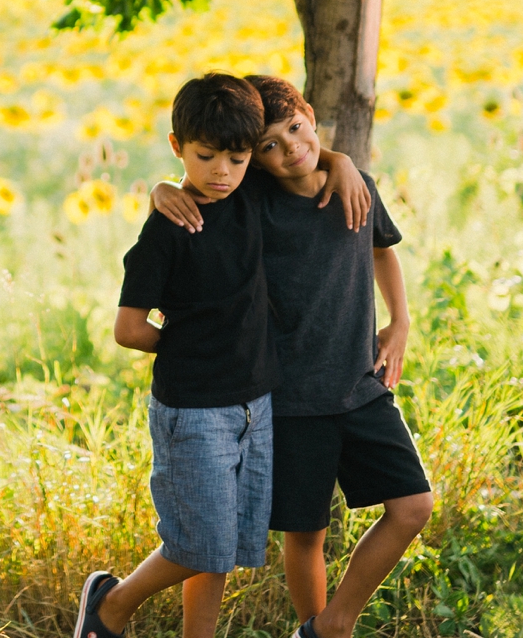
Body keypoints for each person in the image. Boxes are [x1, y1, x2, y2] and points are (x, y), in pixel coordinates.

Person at [152, 74, 432, 638]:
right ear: (255, 162)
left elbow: (382, 250)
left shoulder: (357, 186)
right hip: (291, 401)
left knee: (413, 505)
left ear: (311, 119)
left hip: (360, 386)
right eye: (269, 147)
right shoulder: (255, 203)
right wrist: (160, 190)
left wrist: (399, 321)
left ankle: (333, 624)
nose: (290, 150)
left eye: (297, 131)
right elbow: (200, 179)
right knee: (306, 534)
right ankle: (315, 627)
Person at [72, 73, 273, 638]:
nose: (222, 172)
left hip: (255, 402)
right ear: (177, 146)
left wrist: (344, 165)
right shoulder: (167, 229)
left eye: (236, 158)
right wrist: (192, 345)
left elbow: (299, 142)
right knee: (200, 543)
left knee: (223, 547)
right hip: (195, 407)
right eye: (206, 157)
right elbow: (129, 329)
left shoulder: (250, 190)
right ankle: (111, 605)